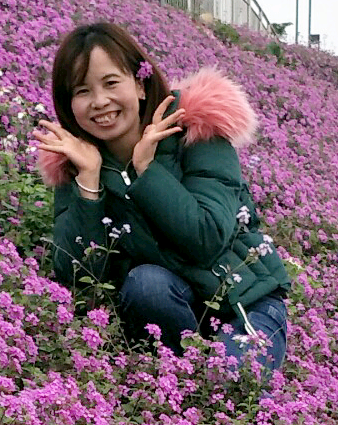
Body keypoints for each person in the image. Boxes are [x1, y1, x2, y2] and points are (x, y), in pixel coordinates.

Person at [34, 22, 290, 371]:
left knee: (231, 379)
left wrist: (147, 170)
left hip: (241, 303)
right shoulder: (77, 163)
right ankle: (182, 375)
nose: (100, 102)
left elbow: (207, 238)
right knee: (147, 285)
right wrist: (89, 184)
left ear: (140, 84)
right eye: (82, 91)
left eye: (111, 83)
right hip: (168, 307)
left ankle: (203, 377)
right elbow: (80, 282)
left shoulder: (196, 130)